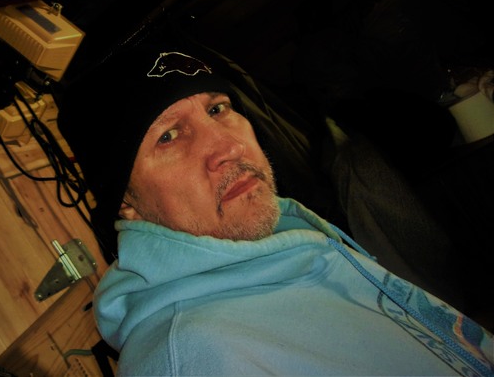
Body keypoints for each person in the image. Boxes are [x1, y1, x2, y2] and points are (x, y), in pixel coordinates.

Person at [57, 34, 493, 376]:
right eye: (168, 136)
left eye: (217, 109)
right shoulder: (195, 358)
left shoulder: (290, 229)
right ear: (126, 203)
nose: (229, 146)